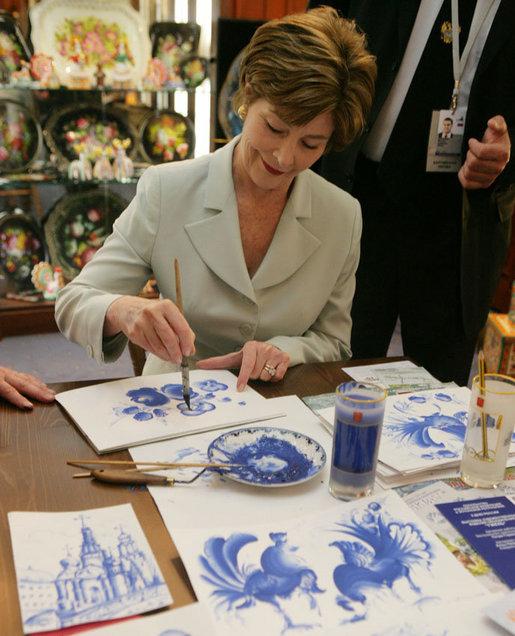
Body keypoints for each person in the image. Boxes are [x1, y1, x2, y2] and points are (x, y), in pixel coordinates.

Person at [55, 7, 376, 391]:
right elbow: (73, 302)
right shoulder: (166, 190)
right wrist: (123, 310)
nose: (285, 157)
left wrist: (284, 351)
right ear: (248, 95)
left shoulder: (342, 215)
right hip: (175, 401)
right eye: (274, 127)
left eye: (311, 143)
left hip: (279, 406)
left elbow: (334, 342)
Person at [308, 0, 514, 386]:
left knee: (437, 396)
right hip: (357, 193)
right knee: (329, 373)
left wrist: (509, 152)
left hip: (464, 220)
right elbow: (318, 34)